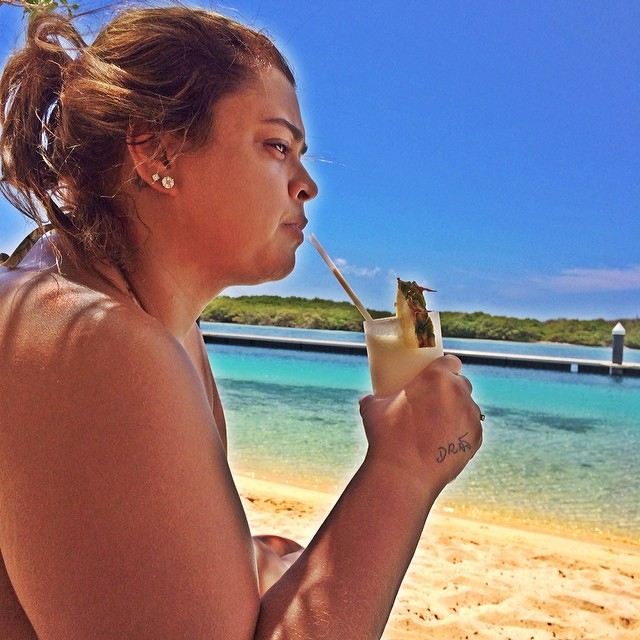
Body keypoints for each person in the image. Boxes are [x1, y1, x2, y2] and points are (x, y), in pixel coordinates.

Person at [0, 6, 483, 639]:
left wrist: (250, 561)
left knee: (272, 548)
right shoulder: (90, 338)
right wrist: (406, 468)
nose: (306, 185)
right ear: (156, 150)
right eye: (277, 146)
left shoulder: (159, 324)